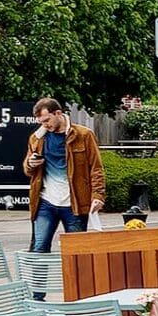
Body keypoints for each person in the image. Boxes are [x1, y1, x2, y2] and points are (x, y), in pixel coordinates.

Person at [24, 97, 104, 283]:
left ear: (58, 113)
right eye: (41, 122)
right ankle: (37, 295)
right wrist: (31, 164)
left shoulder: (83, 135)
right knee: (39, 249)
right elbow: (27, 169)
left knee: (76, 253)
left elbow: (96, 168)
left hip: (74, 204)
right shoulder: (37, 138)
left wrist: (98, 195)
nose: (45, 125)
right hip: (45, 202)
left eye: (47, 120)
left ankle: (79, 294)